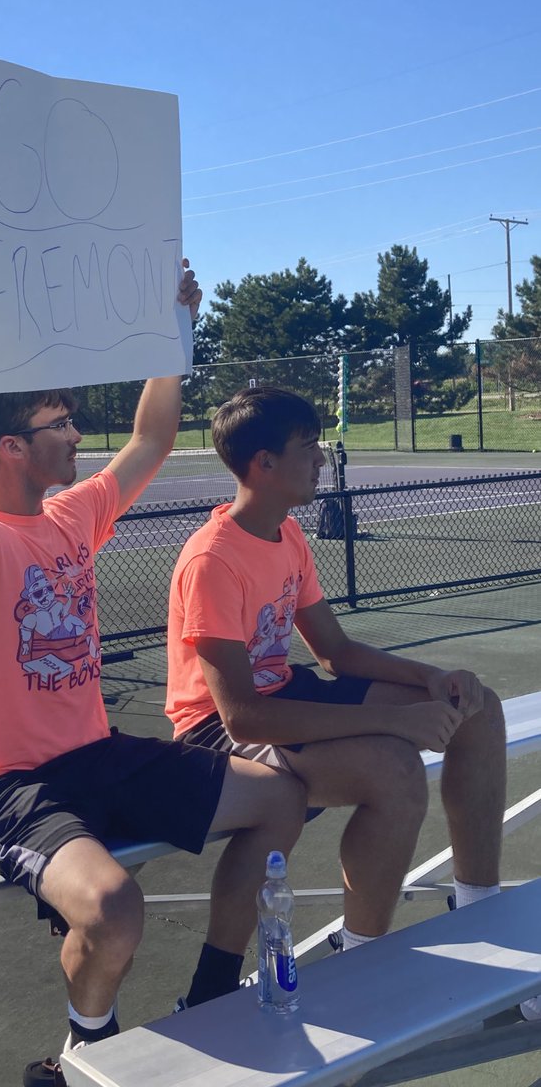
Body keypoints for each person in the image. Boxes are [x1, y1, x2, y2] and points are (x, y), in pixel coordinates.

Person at [0, 237, 307, 1080]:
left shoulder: (73, 515)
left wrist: (172, 327)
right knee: (116, 907)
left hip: (96, 754)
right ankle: (85, 1051)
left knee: (281, 798)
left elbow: (153, 435)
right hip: (8, 783)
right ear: (13, 447)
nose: (78, 434)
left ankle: (210, 994)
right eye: (60, 424)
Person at [165, 386, 531, 985]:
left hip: (284, 696)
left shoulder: (286, 534)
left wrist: (432, 678)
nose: (320, 458)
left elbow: (335, 653)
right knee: (393, 769)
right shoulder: (213, 561)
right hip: (214, 733)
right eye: (307, 446)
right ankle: (359, 958)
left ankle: (478, 909)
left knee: (477, 707)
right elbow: (241, 717)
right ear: (264, 463)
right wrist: (396, 720)